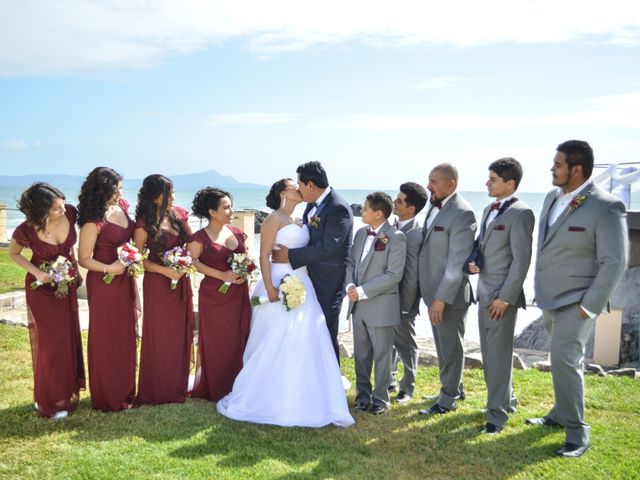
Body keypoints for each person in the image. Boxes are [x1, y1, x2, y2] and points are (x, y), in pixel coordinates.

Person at [217, 179, 354, 427]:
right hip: (278, 281)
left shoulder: (301, 219)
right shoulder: (273, 220)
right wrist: (269, 287)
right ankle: (268, 394)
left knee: (306, 338)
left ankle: (305, 392)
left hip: (303, 284)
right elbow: (263, 255)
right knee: (275, 338)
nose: (300, 189)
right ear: (283, 192)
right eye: (294, 186)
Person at [526, 140, 627, 457]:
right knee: (564, 362)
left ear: (577, 168)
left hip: (578, 301)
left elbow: (615, 261)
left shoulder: (606, 206)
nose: (552, 169)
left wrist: (589, 306)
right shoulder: (550, 198)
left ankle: (577, 433)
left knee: (565, 361)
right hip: (548, 297)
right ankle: (559, 414)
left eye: (557, 164)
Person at [466, 158, 534, 434]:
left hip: (500, 299)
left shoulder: (522, 213)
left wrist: (505, 298)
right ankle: (508, 400)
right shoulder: (488, 210)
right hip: (484, 292)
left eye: (493, 179)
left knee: (497, 355)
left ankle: (496, 417)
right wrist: (475, 261)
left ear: (510, 183)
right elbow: (485, 245)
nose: (486, 183)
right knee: (491, 353)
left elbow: (521, 261)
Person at [9, 183, 85, 419]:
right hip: (42, 292)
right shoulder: (25, 231)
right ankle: (47, 400)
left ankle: (65, 393)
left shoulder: (70, 213)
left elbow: (70, 248)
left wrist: (76, 270)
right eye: (56, 208)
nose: (63, 211)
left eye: (63, 205)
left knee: (68, 338)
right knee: (52, 344)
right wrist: (37, 273)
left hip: (66, 286)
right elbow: (14, 253)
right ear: (41, 211)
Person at [271, 161, 353, 363]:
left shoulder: (338, 208)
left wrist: (290, 255)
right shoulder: (311, 205)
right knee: (310, 332)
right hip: (308, 278)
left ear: (310, 185)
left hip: (329, 282)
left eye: (300, 183)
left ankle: (331, 378)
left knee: (325, 332)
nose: (298, 188)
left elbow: (329, 247)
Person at [417, 163, 476, 415]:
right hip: (433, 292)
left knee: (451, 346)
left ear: (450, 184)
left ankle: (448, 398)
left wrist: (441, 298)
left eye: (433, 181)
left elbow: (456, 262)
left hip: (449, 295)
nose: (428, 186)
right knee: (443, 344)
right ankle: (453, 387)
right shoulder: (434, 205)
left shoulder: (463, 213)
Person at [78, 167, 138, 412]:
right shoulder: (93, 221)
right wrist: (109, 269)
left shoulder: (122, 206)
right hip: (104, 283)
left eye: (121, 189)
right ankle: (107, 396)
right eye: (115, 190)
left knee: (125, 335)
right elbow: (83, 258)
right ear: (102, 190)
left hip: (125, 279)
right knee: (106, 337)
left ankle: (126, 390)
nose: (120, 194)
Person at [133, 174, 194, 406]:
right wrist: (165, 271)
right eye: (169, 192)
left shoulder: (179, 215)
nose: (174, 197)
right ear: (156, 197)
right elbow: (138, 259)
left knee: (179, 332)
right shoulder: (143, 223)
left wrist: (184, 263)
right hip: (158, 284)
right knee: (159, 334)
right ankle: (157, 388)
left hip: (181, 280)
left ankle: (178, 384)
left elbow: (192, 243)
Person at [188, 187, 251, 402]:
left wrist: (245, 273)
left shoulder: (236, 232)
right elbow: (192, 262)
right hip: (214, 297)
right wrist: (221, 275)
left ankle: (238, 383)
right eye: (226, 207)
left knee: (239, 338)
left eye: (231, 205)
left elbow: (246, 258)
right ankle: (217, 385)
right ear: (212, 212)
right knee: (217, 342)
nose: (230, 210)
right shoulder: (199, 238)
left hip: (238, 295)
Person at [346, 192, 406, 415]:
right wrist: (349, 286)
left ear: (378, 213)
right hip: (358, 306)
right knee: (361, 354)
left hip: (381, 306)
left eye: (365, 209)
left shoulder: (396, 237)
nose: (361, 212)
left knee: (382, 355)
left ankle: (380, 399)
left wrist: (362, 291)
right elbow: (350, 262)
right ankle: (363, 396)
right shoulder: (361, 233)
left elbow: (393, 275)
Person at [389, 182, 428, 404]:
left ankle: (408, 387)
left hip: (404, 298)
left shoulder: (414, 234)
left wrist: (406, 304)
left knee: (406, 343)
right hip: (387, 297)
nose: (395, 202)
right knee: (390, 341)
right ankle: (390, 380)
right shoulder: (392, 227)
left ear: (411, 208)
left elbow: (412, 274)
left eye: (400, 200)